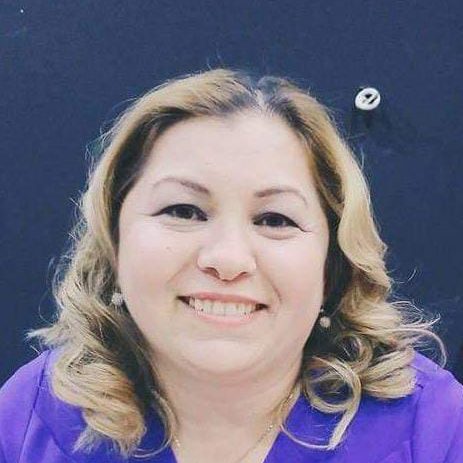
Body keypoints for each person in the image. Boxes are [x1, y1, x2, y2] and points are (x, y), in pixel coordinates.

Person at [0, 68, 462, 463]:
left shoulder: (435, 430)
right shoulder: (28, 418)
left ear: (333, 263)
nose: (227, 259)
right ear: (114, 242)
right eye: (183, 211)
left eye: (275, 219)